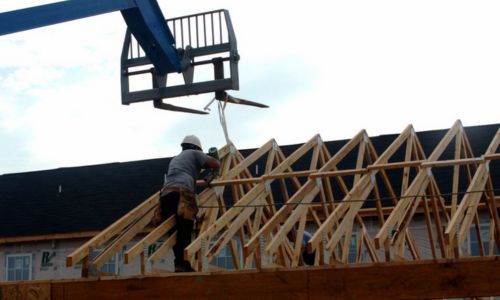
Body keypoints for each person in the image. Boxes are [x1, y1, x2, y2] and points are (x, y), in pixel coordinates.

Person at [159, 135, 220, 272]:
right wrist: (215, 159)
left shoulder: (177, 158)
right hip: (182, 195)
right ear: (197, 148)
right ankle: (184, 264)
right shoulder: (194, 153)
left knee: (176, 232)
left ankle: (180, 264)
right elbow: (215, 164)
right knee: (185, 230)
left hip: (166, 196)